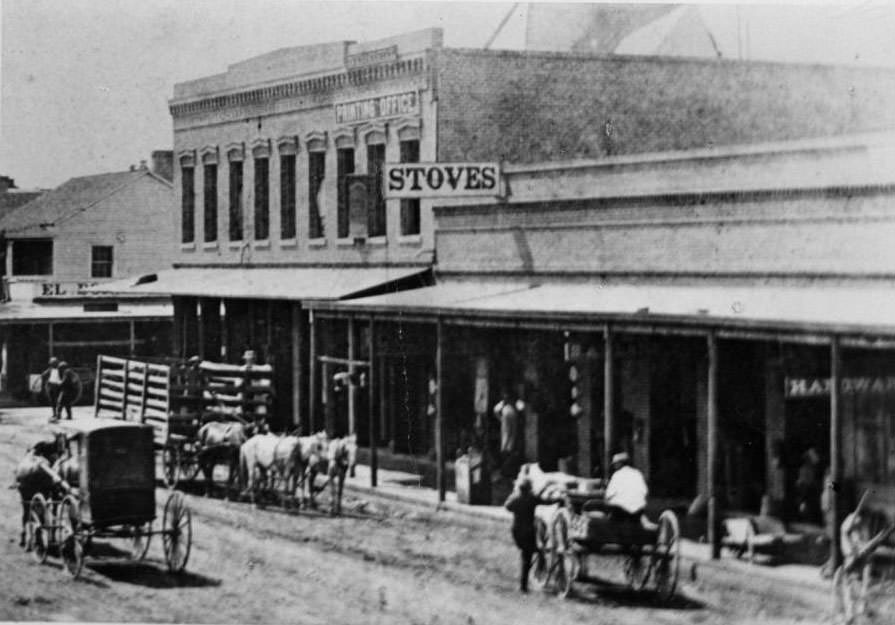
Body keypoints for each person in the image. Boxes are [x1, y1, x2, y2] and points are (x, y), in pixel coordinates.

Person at [504, 477, 559, 593]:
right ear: (529, 489)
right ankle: (528, 582)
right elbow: (545, 501)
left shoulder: (516, 499)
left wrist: (515, 496)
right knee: (531, 555)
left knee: (527, 555)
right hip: (528, 532)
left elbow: (507, 506)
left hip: (517, 531)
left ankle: (525, 584)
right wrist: (558, 499)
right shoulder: (532, 498)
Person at [604, 451, 648, 523]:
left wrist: (606, 501)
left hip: (621, 512)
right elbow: (645, 491)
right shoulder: (637, 473)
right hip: (638, 511)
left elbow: (608, 494)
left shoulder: (617, 475)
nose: (614, 466)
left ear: (620, 463)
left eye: (615, 464)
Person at [40, 358, 62, 422]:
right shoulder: (50, 369)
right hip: (51, 386)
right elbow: (44, 374)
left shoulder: (60, 370)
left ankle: (58, 414)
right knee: (52, 401)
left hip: (57, 386)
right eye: (52, 363)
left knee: (58, 401)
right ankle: (55, 414)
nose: (53, 365)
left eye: (54, 363)